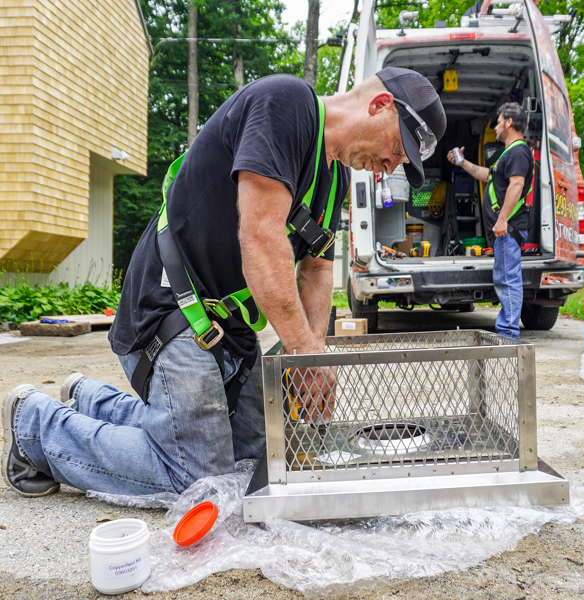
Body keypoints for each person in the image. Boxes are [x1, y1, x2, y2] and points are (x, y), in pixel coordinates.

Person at [2, 67, 446, 498]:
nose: (391, 165)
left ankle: (89, 399)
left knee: (259, 465)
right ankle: (35, 424)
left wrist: (313, 351)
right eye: (397, 146)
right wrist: (304, 355)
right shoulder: (285, 105)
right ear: (380, 103)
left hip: (228, 328)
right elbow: (260, 235)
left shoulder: (336, 179)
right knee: (201, 480)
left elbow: (318, 269)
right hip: (171, 307)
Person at [447, 102, 533, 340]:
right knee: (505, 278)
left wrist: (502, 220)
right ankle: (508, 332)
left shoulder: (517, 151)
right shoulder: (508, 154)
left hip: (509, 229)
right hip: (507, 230)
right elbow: (488, 175)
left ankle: (508, 335)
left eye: (498, 121)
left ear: (509, 123)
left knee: (507, 281)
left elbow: (516, 185)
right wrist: (462, 162)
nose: (495, 126)